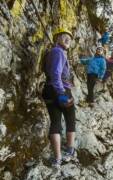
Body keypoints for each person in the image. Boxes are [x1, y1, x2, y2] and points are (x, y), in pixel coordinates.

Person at [42, 28, 76, 169]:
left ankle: (57, 159)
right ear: (57, 39)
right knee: (70, 120)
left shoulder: (50, 53)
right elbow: (56, 74)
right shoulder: (59, 52)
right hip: (60, 89)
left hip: (49, 90)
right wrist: (62, 92)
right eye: (64, 36)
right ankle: (70, 149)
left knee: (55, 122)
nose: (68, 39)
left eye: (70, 37)